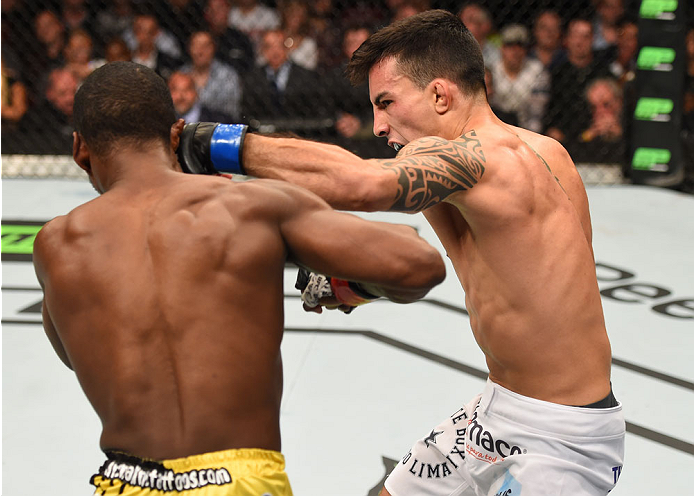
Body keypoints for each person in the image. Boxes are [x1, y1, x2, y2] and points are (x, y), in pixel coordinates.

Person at [177, 10, 626, 495]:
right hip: (499, 408)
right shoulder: (546, 152)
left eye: (386, 103)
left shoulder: (477, 161)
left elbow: (358, 184)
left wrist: (208, 145)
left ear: (439, 94)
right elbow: (506, 278)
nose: (377, 125)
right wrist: (353, 284)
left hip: (562, 437)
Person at [32, 61, 446, 495]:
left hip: (126, 482)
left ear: (79, 150)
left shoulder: (57, 244)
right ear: (177, 133)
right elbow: (419, 264)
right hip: (239, 480)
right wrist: (348, 286)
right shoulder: (249, 207)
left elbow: (75, 354)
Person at [489, 24, 549, 133]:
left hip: (526, 127)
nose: (515, 50)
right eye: (510, 45)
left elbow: (536, 113)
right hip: (495, 124)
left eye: (520, 45)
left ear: (526, 49)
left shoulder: (537, 71)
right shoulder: (492, 71)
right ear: (502, 48)